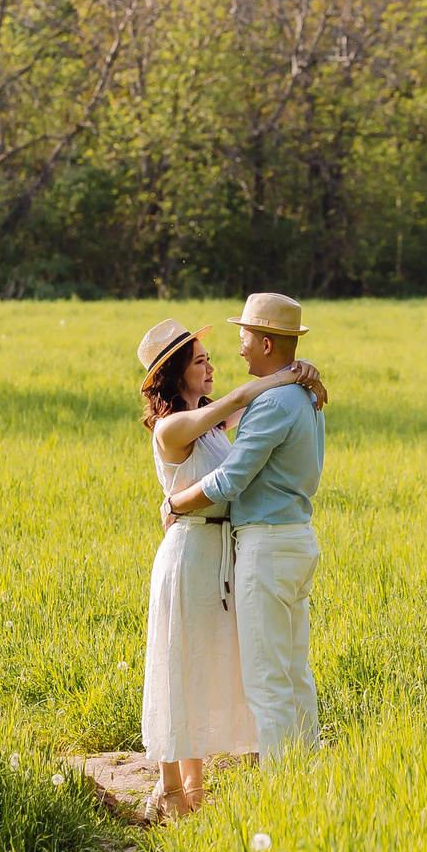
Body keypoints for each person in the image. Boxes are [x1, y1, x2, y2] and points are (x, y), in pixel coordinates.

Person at [135, 318, 322, 817]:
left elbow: (261, 411)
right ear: (176, 373)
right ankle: (171, 791)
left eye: (209, 358)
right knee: (178, 664)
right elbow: (240, 400)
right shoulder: (173, 427)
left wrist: (299, 371)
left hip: (221, 553)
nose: (212, 367)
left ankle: (194, 789)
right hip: (188, 552)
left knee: (205, 664)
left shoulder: (212, 425)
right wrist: (283, 374)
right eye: (200, 361)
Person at [166, 292, 326, 762]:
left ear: (266, 343)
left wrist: (175, 504)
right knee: (293, 672)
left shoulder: (273, 402)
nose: (239, 349)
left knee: (267, 680)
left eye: (244, 338)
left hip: (268, 547)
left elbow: (230, 480)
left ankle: (281, 787)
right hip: (295, 539)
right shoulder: (302, 395)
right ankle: (306, 773)